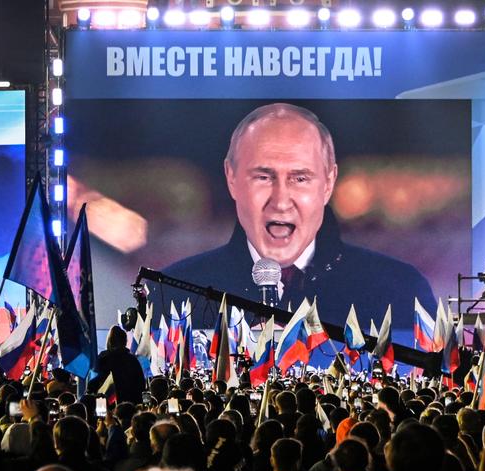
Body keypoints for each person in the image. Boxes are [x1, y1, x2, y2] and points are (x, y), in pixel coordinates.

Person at [156, 103, 435, 352]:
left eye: (300, 178)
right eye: (263, 177)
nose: (280, 202)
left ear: (328, 183)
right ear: (231, 178)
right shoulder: (174, 293)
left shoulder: (398, 290)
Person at [87, 325, 146, 404]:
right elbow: (141, 385)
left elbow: (93, 383)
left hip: (105, 405)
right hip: (131, 405)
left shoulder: (103, 359)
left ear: (109, 341)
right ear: (125, 341)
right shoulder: (132, 360)